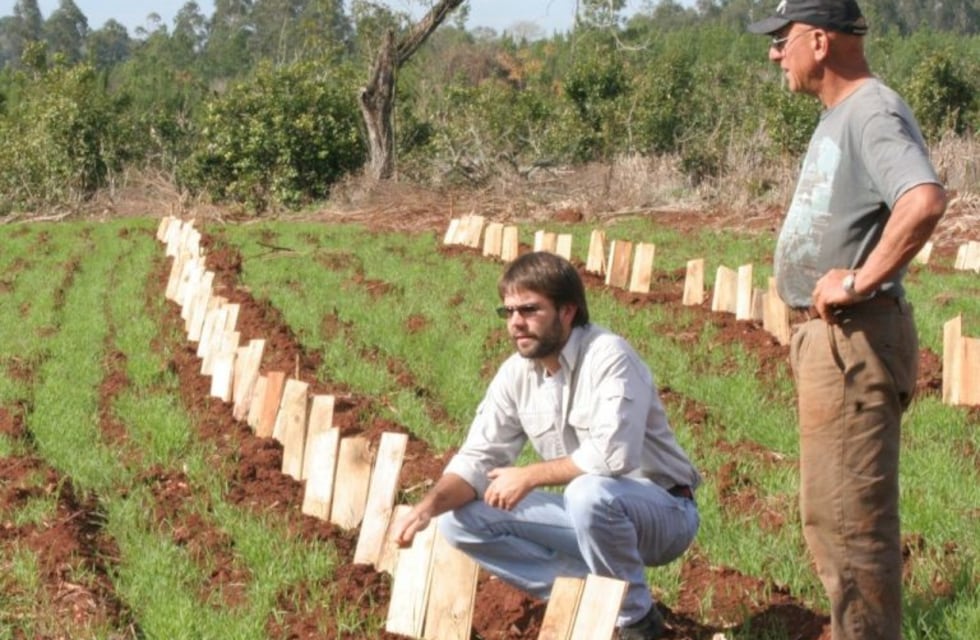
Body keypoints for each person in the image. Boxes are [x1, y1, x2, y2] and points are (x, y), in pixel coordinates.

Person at [747, 1, 947, 639]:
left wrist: (861, 278)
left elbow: (922, 200)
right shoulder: (841, 116)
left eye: (782, 41)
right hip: (834, 342)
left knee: (851, 527)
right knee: (832, 522)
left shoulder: (871, 110)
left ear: (819, 41)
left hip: (853, 341)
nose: (774, 53)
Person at [393, 251, 700, 640]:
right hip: (593, 520)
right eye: (508, 312)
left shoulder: (609, 356)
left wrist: (532, 475)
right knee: (459, 520)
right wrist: (427, 508)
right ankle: (594, 597)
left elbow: (612, 455)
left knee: (589, 492)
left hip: (664, 513)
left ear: (567, 311)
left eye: (529, 309)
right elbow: (478, 456)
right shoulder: (515, 374)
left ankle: (638, 624)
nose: (516, 323)